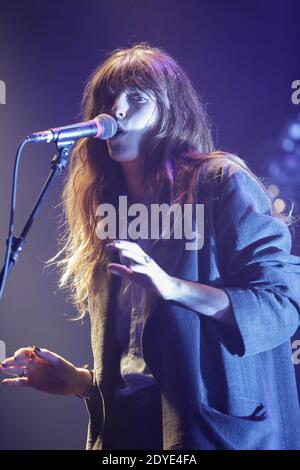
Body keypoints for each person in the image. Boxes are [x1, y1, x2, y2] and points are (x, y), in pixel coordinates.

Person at [1, 44, 300, 450]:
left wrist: (172, 286)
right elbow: (143, 363)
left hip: (214, 435)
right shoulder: (108, 206)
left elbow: (281, 305)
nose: (116, 109)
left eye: (137, 97)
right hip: (130, 432)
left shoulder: (220, 182)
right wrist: (83, 383)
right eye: (108, 99)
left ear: (169, 113)